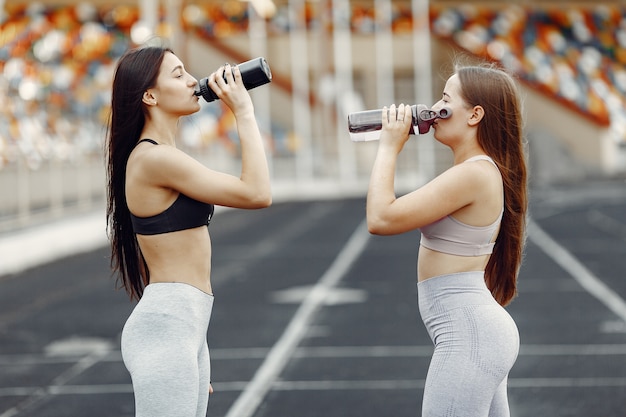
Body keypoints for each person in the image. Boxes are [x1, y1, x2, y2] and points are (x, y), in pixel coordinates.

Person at [105, 44, 271, 417]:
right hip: (168, 326)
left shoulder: (163, 155)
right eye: (177, 74)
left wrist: (189, 347)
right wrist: (243, 111)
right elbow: (257, 193)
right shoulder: (156, 159)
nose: (193, 80)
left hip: (184, 326)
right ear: (150, 95)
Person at [366, 62, 527, 417]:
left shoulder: (473, 174)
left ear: (474, 115)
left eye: (445, 99)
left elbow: (380, 217)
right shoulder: (476, 171)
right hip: (480, 333)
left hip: (471, 336)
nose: (435, 109)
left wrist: (389, 147)